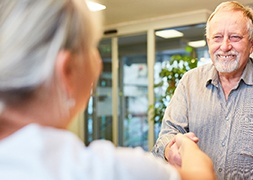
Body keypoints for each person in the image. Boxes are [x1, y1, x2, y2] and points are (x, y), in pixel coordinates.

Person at [0, 0, 215, 179]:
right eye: (92, 45)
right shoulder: (110, 170)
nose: (98, 61)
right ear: (67, 70)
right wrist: (187, 146)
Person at [152, 1, 253, 180]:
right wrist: (170, 150)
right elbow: (167, 135)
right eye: (217, 37)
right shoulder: (189, 82)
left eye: (235, 37)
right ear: (208, 42)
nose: (224, 46)